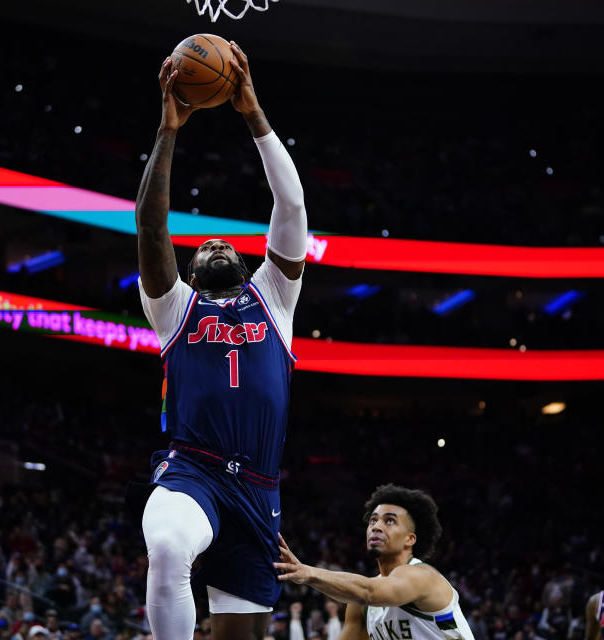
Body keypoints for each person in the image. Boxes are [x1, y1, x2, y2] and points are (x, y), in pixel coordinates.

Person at [135, 40, 307, 640]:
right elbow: (151, 224)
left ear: (243, 259)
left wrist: (251, 111)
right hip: (194, 472)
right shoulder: (174, 307)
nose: (211, 247)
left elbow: (291, 203)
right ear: (188, 271)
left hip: (258, 488)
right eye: (202, 247)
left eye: (223, 244)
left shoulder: (275, 297)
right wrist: (168, 131)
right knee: (165, 545)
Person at [273, 484, 476, 640]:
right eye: (373, 520)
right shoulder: (361, 606)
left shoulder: (422, 576)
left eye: (389, 521)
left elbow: (370, 591)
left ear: (410, 539)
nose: (376, 527)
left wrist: (308, 573)